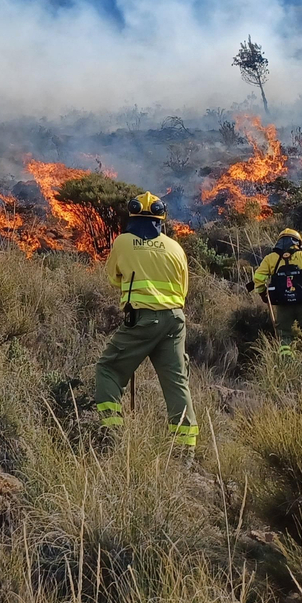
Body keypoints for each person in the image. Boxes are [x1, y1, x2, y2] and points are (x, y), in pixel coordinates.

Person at [92, 192, 197, 450]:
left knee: (108, 369)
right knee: (176, 382)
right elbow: (183, 290)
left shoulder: (123, 242)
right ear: (161, 218)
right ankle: (185, 449)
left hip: (141, 320)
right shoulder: (175, 247)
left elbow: (114, 278)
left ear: (133, 216)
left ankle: (112, 434)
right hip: (174, 320)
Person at [249, 228, 302, 356]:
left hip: (283, 306)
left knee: (284, 335)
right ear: (297, 242)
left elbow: (258, 278)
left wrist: (263, 294)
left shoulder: (270, 259)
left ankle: (287, 362)